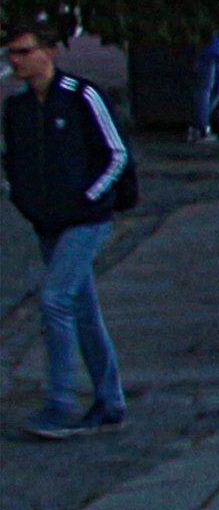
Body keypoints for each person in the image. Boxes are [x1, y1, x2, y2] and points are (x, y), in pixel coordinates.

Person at [6, 22, 140, 437]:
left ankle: (60, 402)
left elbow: (116, 153)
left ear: (47, 53)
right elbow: (14, 161)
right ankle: (109, 399)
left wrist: (90, 197)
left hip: (86, 219)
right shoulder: (18, 108)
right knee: (82, 310)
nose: (15, 60)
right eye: (10, 53)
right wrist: (25, 200)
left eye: (23, 51)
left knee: (55, 299)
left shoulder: (81, 96)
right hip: (48, 222)